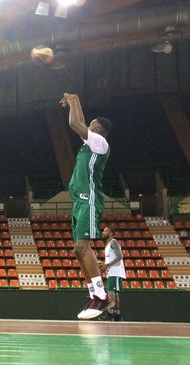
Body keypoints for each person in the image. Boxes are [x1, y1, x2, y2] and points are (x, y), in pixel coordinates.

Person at [59, 92, 114, 320]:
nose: (87, 126)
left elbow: (74, 123)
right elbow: (80, 122)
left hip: (89, 198)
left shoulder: (100, 142)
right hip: (79, 200)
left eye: (91, 125)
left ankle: (102, 297)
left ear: (98, 129)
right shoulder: (90, 144)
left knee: (83, 247)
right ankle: (93, 295)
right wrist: (76, 100)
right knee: (77, 250)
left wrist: (73, 102)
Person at [99, 225, 125, 321]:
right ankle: (117, 314)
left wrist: (106, 265)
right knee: (112, 292)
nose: (103, 232)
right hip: (112, 271)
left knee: (111, 292)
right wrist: (104, 264)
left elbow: (120, 256)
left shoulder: (113, 242)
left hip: (116, 271)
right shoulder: (107, 245)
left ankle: (110, 314)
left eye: (105, 231)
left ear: (110, 233)